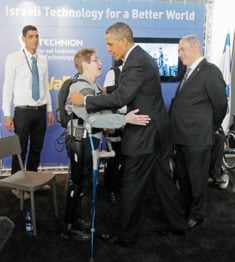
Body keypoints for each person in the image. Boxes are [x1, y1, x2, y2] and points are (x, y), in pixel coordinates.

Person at [70, 22, 187, 247]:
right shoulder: (139, 58)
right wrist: (105, 93)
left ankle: (126, 236)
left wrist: (85, 100)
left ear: (123, 40)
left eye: (110, 44)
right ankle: (178, 224)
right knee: (162, 181)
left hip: (145, 133)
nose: (109, 49)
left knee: (131, 183)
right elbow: (128, 91)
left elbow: (121, 98)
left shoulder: (136, 63)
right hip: (156, 130)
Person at [62, 48, 150, 241]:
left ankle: (75, 218)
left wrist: (117, 118)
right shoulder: (79, 88)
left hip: (89, 140)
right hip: (81, 141)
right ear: (85, 65)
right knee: (77, 183)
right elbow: (93, 119)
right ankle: (68, 226)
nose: (100, 63)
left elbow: (100, 114)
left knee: (84, 182)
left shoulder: (92, 87)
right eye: (95, 60)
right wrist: (123, 120)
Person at [169, 35, 228, 229]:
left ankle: (197, 213)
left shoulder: (210, 71)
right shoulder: (187, 73)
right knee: (184, 178)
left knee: (197, 178)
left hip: (198, 138)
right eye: (179, 50)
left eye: (182, 49)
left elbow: (221, 105)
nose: (180, 54)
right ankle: (186, 209)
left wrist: (210, 128)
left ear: (196, 48)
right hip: (182, 136)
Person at [2, 25, 54, 200]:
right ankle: (17, 185)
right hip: (22, 112)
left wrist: (49, 109)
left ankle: (32, 181)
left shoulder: (43, 60)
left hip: (40, 112)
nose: (35, 39)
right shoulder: (13, 58)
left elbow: (45, 87)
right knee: (20, 149)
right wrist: (7, 114)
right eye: (31, 36)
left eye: (37, 36)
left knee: (36, 148)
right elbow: (7, 87)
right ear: (23, 38)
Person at [103, 59, 125, 204]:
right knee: (114, 158)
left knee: (126, 159)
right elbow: (105, 98)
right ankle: (109, 189)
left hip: (131, 123)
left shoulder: (137, 75)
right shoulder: (113, 73)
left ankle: (120, 186)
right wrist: (107, 122)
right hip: (115, 122)